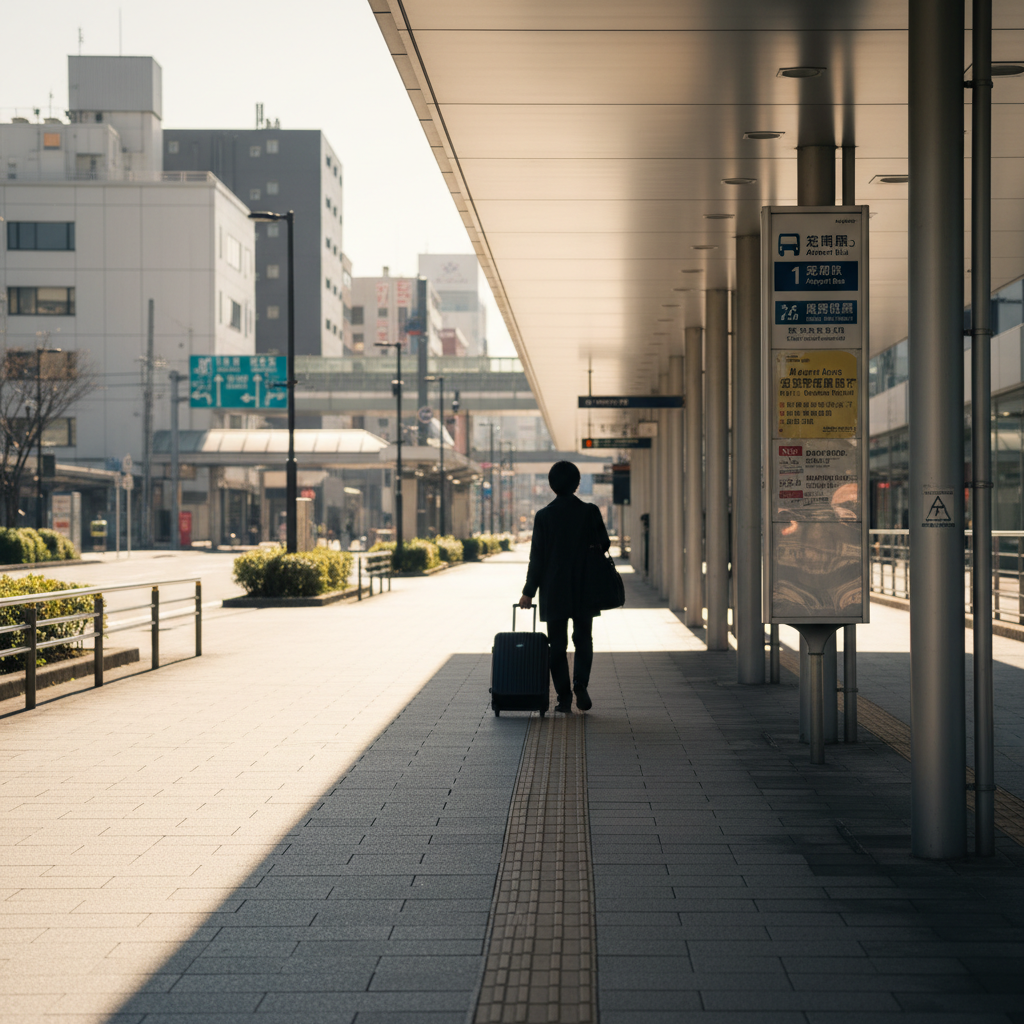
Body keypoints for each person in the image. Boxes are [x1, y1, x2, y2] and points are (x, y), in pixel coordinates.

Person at [519, 460, 611, 713]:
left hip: (554, 588)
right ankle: (580, 684)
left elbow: (537, 558)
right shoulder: (590, 511)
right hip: (585, 586)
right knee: (583, 639)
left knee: (557, 646)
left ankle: (564, 697)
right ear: (577, 483)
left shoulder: (544, 516)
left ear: (551, 485)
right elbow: (604, 544)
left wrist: (528, 592)